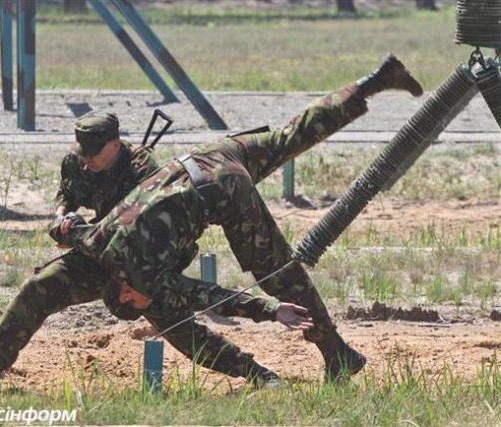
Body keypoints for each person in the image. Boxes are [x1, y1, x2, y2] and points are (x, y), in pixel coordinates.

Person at [59, 53, 424, 382]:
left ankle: (336, 353)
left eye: (137, 306)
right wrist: (61, 221)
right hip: (206, 157)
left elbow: (211, 294)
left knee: (279, 273)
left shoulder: (146, 280)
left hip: (223, 190)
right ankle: (371, 83)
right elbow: (70, 230)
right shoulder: (98, 239)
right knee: (290, 136)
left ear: (126, 292)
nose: (146, 307)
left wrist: (271, 310)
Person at [0, 111, 311, 390]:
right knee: (38, 289)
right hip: (98, 251)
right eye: (83, 153)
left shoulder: (146, 172)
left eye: (94, 154)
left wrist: (269, 307)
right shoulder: (77, 163)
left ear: (116, 145)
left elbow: (205, 292)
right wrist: (62, 218)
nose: (87, 161)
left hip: (147, 261)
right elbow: (66, 197)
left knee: (183, 332)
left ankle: (258, 375)